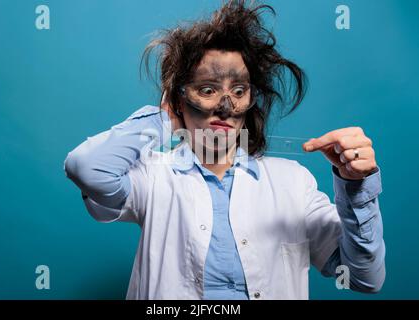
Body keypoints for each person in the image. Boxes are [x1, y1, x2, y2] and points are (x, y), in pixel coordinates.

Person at [63, 0, 385, 300]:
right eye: (207, 89)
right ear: (179, 99)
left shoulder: (294, 183)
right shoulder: (152, 175)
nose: (225, 107)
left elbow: (365, 278)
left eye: (239, 91)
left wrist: (357, 186)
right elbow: (87, 167)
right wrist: (165, 119)